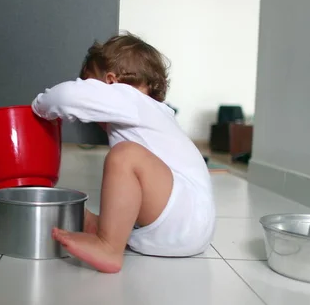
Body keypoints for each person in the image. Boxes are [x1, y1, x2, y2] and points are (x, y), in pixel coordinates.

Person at [31, 32, 215, 273]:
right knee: (127, 167)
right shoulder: (156, 114)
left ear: (109, 82)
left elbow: (65, 97)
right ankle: (102, 228)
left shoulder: (128, 98)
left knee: (125, 155)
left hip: (184, 217)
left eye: (89, 85)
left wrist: (39, 107)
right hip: (186, 227)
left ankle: (108, 246)